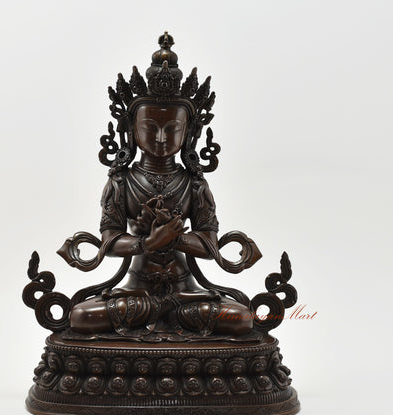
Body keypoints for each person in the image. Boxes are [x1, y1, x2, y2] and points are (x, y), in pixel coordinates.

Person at [66, 33, 261, 337]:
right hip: (135, 291)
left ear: (189, 132)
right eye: (149, 127)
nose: (160, 138)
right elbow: (110, 242)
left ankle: (165, 313)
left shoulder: (194, 184)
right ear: (131, 129)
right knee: (81, 317)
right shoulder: (121, 182)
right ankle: (165, 316)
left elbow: (209, 245)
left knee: (241, 318)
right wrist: (148, 243)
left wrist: (176, 239)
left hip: (186, 292)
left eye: (172, 129)